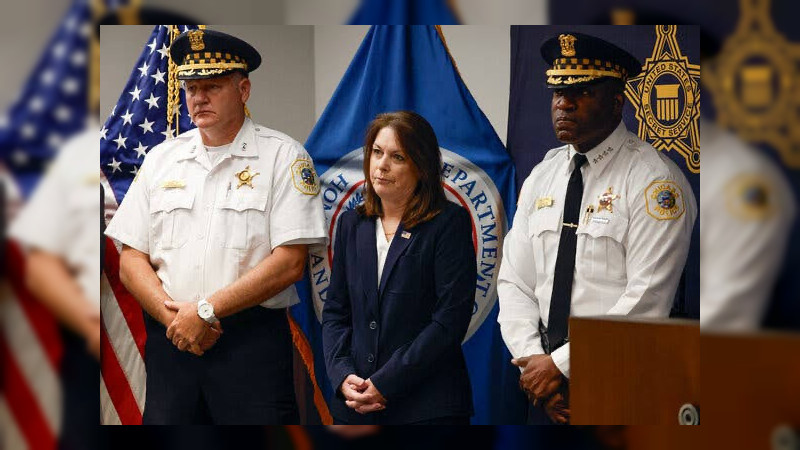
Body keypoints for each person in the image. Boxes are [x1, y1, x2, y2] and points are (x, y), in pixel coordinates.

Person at [104, 29, 326, 424]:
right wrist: (178, 321)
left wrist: (205, 312)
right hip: (173, 343)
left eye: (212, 86)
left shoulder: (283, 156)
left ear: (243, 90)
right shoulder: (162, 159)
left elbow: (290, 263)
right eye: (191, 88)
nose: (198, 98)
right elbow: (131, 259)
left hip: (249, 346)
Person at [497, 32, 697, 424]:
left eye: (582, 92)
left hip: (622, 380)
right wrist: (535, 364)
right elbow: (515, 282)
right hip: (546, 392)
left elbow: (647, 301)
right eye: (558, 92)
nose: (564, 104)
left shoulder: (654, 182)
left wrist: (560, 366)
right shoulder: (543, 175)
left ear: (617, 102)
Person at [322, 111, 476, 424]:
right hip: (355, 403)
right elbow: (336, 312)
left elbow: (449, 321)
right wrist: (342, 374)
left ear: (422, 166)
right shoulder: (352, 223)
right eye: (377, 152)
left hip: (426, 408)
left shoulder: (449, 223)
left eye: (398, 157)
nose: (382, 165)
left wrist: (386, 383)